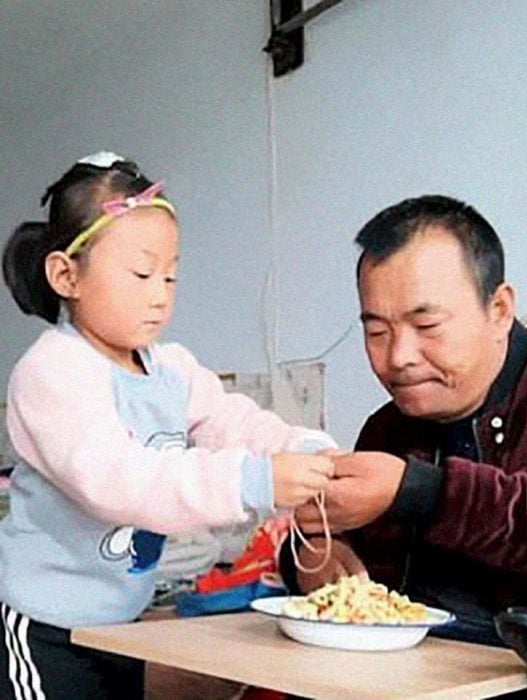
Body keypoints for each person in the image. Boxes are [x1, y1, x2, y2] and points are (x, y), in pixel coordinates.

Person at [0, 152, 337, 698]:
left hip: (119, 626)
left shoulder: (171, 367)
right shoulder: (52, 371)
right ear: (67, 275)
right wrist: (254, 481)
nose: (159, 293)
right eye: (139, 273)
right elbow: (121, 480)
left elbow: (231, 420)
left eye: (171, 274)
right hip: (44, 629)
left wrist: (309, 450)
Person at [285, 194, 527, 648]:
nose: (399, 358)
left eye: (427, 327)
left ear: (499, 310)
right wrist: (315, 555)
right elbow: (318, 531)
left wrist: (423, 492)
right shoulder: (388, 429)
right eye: (377, 331)